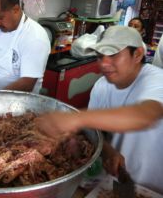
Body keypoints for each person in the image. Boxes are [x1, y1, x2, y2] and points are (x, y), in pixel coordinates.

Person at [36, 26, 163, 194]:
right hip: (117, 180)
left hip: (155, 185)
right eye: (100, 56)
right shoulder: (102, 86)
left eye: (113, 55)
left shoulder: (156, 80)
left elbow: (146, 115)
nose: (104, 63)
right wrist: (109, 152)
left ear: (137, 54)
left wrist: (76, 118)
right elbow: (96, 133)